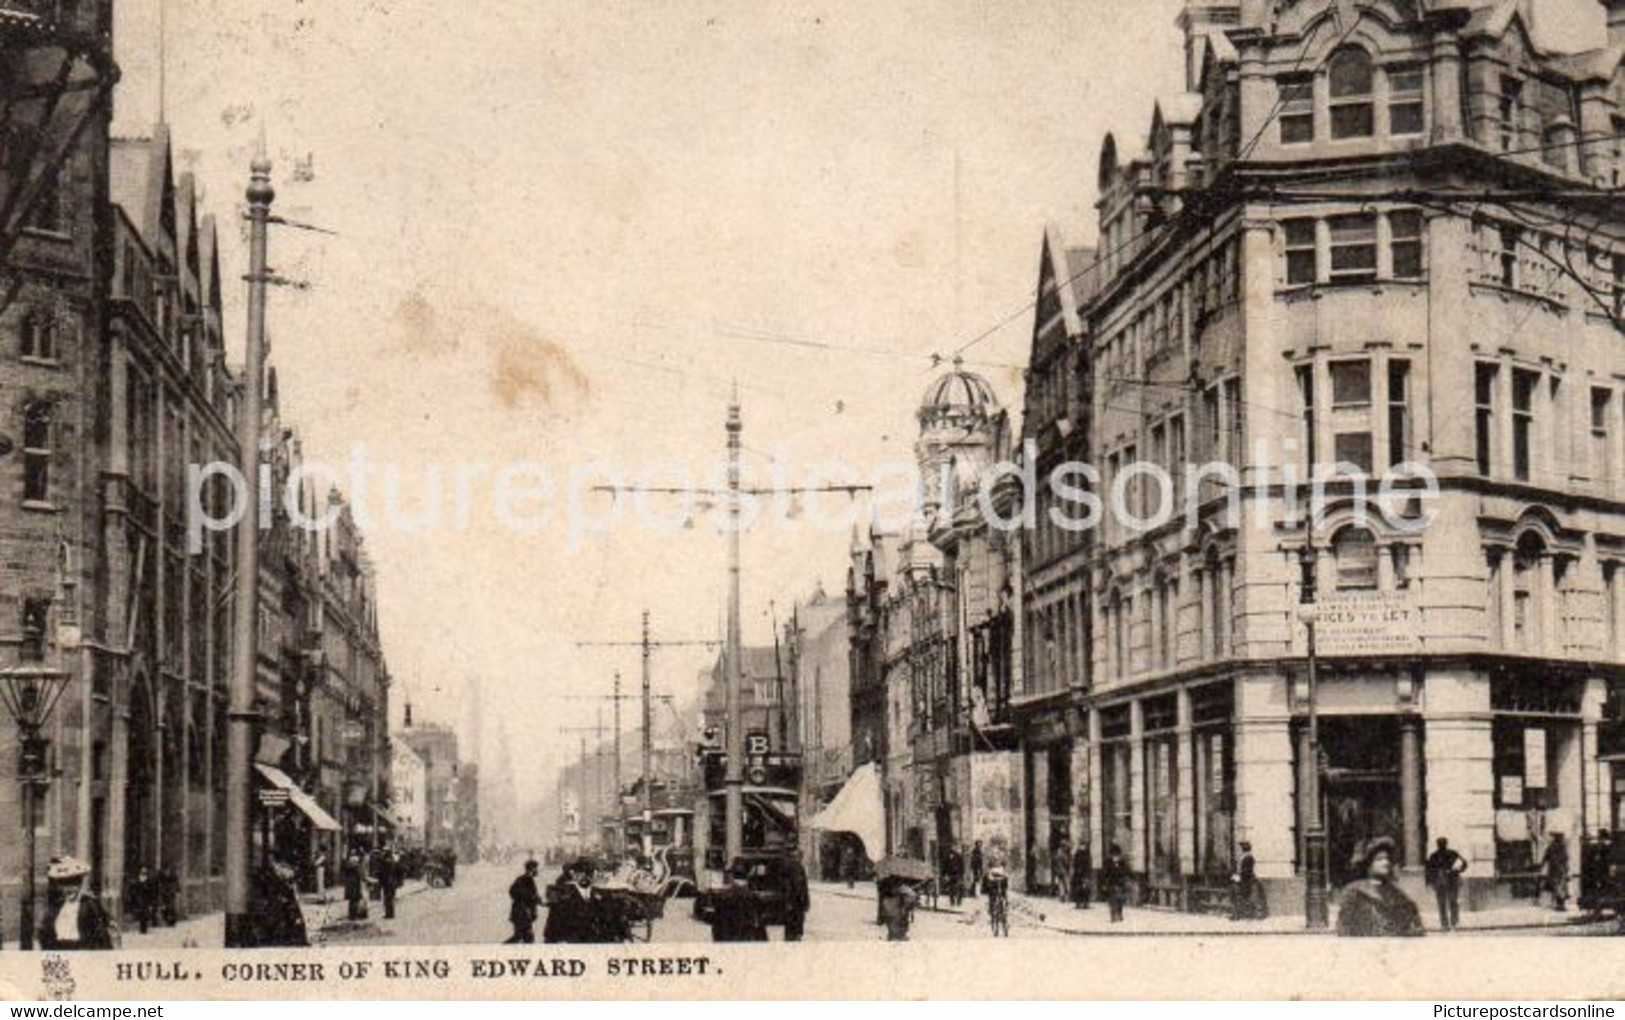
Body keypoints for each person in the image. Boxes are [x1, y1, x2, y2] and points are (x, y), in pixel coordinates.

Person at [1336, 836, 1425, 937]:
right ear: (1368, 865)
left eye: (1387, 859)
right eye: (1379, 859)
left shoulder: (1399, 895)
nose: (1386, 863)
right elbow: (1344, 928)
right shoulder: (1354, 893)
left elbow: (1413, 926)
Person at [38, 857, 113, 951]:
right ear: (60, 887)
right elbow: (45, 932)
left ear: (79, 885)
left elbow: (101, 935)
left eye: (73, 885)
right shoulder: (56, 906)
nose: (69, 889)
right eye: (65, 885)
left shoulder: (89, 904)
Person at [250, 858, 310, 947]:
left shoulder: (284, 882)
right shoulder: (269, 882)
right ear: (280, 866)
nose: (294, 874)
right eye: (292, 869)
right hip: (275, 934)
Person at [709, 859, 769, 942]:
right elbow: (762, 933)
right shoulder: (755, 899)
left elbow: (716, 929)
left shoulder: (722, 897)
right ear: (749, 875)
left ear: (732, 876)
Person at [1425, 837, 1468, 931]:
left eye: (1442, 843)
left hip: (1446, 882)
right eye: (1441, 843)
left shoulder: (1435, 855)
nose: (1441, 845)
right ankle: (1452, 922)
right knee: (1449, 902)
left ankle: (1447, 923)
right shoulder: (1450, 854)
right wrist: (1458, 870)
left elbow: (1429, 870)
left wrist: (1457, 870)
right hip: (1445, 882)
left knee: (1445, 903)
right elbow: (1464, 864)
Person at [1579, 830, 1613, 919]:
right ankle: (1597, 912)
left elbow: (1595, 859)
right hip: (1603, 872)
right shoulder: (1605, 846)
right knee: (1601, 891)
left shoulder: (1600, 846)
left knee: (1599, 892)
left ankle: (1597, 912)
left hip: (1600, 872)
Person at [507, 860, 543, 943]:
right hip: (522, 914)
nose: (537, 871)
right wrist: (532, 897)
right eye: (536, 868)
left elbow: (531, 895)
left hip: (523, 914)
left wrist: (537, 899)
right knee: (527, 938)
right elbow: (513, 892)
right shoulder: (523, 879)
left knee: (520, 937)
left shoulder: (527, 879)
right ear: (531, 869)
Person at [1230, 841, 1267, 921]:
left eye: (1241, 847)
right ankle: (1236, 915)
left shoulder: (1249, 857)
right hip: (1241, 879)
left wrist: (1239, 876)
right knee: (1238, 897)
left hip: (1246, 880)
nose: (1240, 849)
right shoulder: (1242, 857)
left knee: (1249, 897)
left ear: (1244, 848)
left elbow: (1247, 870)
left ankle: (1256, 915)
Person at [782, 855, 811, 942]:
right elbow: (801, 885)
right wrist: (805, 900)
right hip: (795, 899)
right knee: (796, 918)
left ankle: (791, 936)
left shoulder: (788, 865)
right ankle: (796, 936)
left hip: (791, 899)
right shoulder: (797, 866)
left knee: (791, 921)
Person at [879, 877, 917, 942]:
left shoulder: (905, 890)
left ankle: (897, 934)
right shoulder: (905, 890)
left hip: (895, 896)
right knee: (896, 916)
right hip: (894, 896)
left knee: (896, 916)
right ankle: (896, 934)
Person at [1099, 843, 1130, 923]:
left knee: (1120, 900)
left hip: (1120, 884)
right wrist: (1103, 884)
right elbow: (1103, 874)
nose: (1116, 857)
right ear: (1112, 855)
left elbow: (1127, 871)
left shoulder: (1122, 863)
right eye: (1114, 855)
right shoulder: (1107, 863)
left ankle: (1119, 914)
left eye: (1117, 855)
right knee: (1112, 901)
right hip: (1111, 884)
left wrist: (1128, 879)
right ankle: (1113, 916)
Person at [1541, 832, 1570, 912]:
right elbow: (1566, 859)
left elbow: (1545, 858)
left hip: (1554, 870)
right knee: (1560, 887)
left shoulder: (1551, 847)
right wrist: (1566, 868)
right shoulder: (1562, 847)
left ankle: (1558, 904)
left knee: (1557, 887)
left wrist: (1541, 866)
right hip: (1559, 870)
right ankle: (1560, 904)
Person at [983, 863, 1010, 937]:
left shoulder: (992, 872)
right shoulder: (995, 872)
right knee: (998, 897)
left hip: (996, 884)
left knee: (995, 898)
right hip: (997, 883)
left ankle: (997, 912)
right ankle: (1001, 911)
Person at [128, 866, 157, 935]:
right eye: (142, 872)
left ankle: (144, 928)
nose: (143, 873)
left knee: (145, 915)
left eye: (144, 872)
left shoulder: (148, 881)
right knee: (141, 914)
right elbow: (134, 890)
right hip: (139, 899)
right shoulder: (138, 881)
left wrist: (151, 901)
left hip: (146, 899)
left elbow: (151, 891)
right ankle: (142, 928)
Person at [341, 848, 367, 921]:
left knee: (351, 901)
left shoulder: (348, 866)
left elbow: (344, 873)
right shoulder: (357, 868)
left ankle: (351, 915)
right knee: (355, 900)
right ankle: (353, 915)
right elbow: (362, 876)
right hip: (355, 885)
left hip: (349, 885)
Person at [377, 847, 403, 920]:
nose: (383, 853)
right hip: (391, 882)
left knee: (387, 898)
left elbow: (382, 872)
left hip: (388, 882)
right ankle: (390, 913)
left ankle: (389, 914)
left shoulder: (387, 861)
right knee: (389, 898)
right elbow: (399, 871)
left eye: (384, 852)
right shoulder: (393, 861)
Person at [1071, 842, 1092, 910]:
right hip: (1078, 875)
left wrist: (1088, 873)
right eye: (1081, 845)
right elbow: (1074, 864)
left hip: (1085, 874)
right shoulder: (1077, 854)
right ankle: (1078, 903)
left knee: (1086, 889)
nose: (1082, 847)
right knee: (1078, 889)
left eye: (1083, 845)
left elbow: (1088, 864)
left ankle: (1085, 903)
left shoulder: (1087, 854)